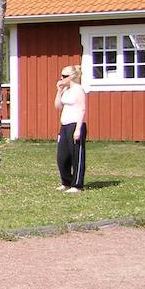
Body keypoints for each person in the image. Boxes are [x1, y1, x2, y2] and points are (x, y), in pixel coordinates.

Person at [54, 64, 87, 193]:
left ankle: (77, 185)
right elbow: (58, 107)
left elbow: (82, 109)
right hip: (65, 125)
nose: (61, 78)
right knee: (62, 157)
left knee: (76, 155)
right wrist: (59, 90)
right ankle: (66, 182)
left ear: (72, 77)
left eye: (65, 76)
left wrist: (78, 129)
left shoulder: (78, 90)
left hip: (76, 124)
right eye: (61, 75)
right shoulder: (66, 90)